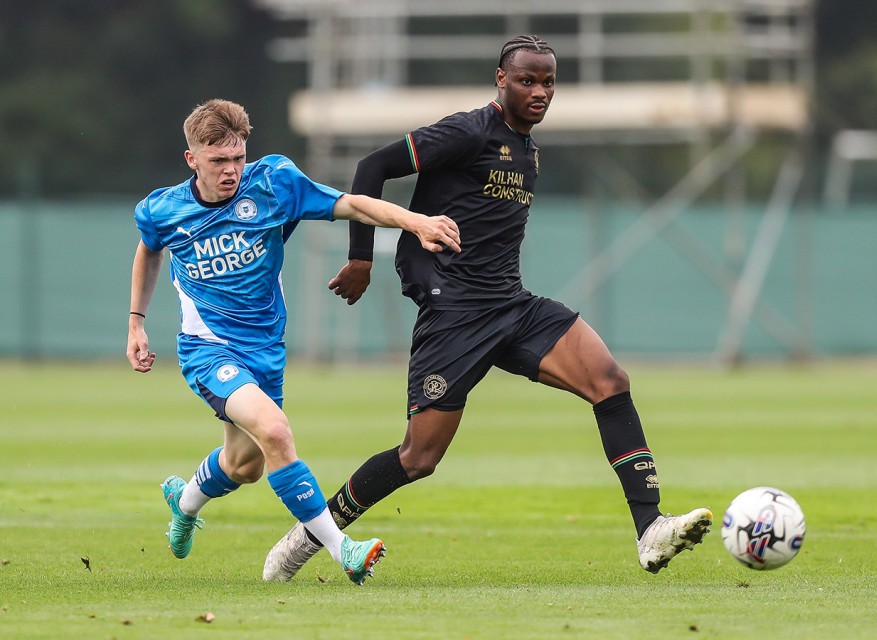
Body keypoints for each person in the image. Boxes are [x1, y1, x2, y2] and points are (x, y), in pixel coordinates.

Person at [262, 36, 711, 582]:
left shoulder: (528, 148)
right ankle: (313, 533)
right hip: (454, 314)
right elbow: (371, 167)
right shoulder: (467, 130)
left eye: (548, 81)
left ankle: (650, 529)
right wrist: (362, 259)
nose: (540, 91)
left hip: (512, 304)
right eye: (527, 80)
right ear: (501, 79)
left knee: (609, 381)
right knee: (418, 458)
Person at [126, 99, 460, 585]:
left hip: (265, 351)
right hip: (208, 349)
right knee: (277, 432)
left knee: (244, 466)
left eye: (237, 158)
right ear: (191, 159)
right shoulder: (163, 208)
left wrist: (415, 220)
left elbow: (350, 203)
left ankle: (186, 501)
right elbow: (148, 249)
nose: (231, 171)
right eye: (218, 161)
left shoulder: (273, 183)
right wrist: (136, 322)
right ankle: (342, 548)